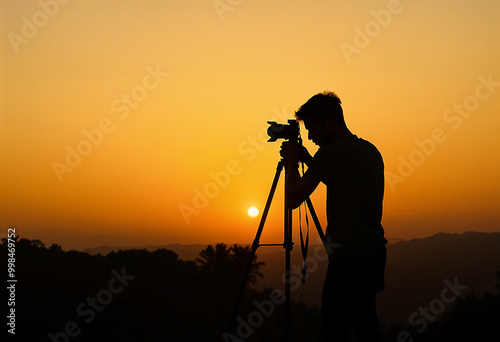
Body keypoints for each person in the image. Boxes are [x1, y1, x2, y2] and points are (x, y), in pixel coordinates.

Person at [280, 91, 387, 341]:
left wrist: (292, 163)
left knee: (333, 330)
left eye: (313, 128)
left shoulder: (331, 154)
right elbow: (340, 178)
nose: (310, 136)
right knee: (365, 327)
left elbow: (293, 200)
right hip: (373, 253)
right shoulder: (369, 149)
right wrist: (308, 158)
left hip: (348, 257)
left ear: (330, 122)